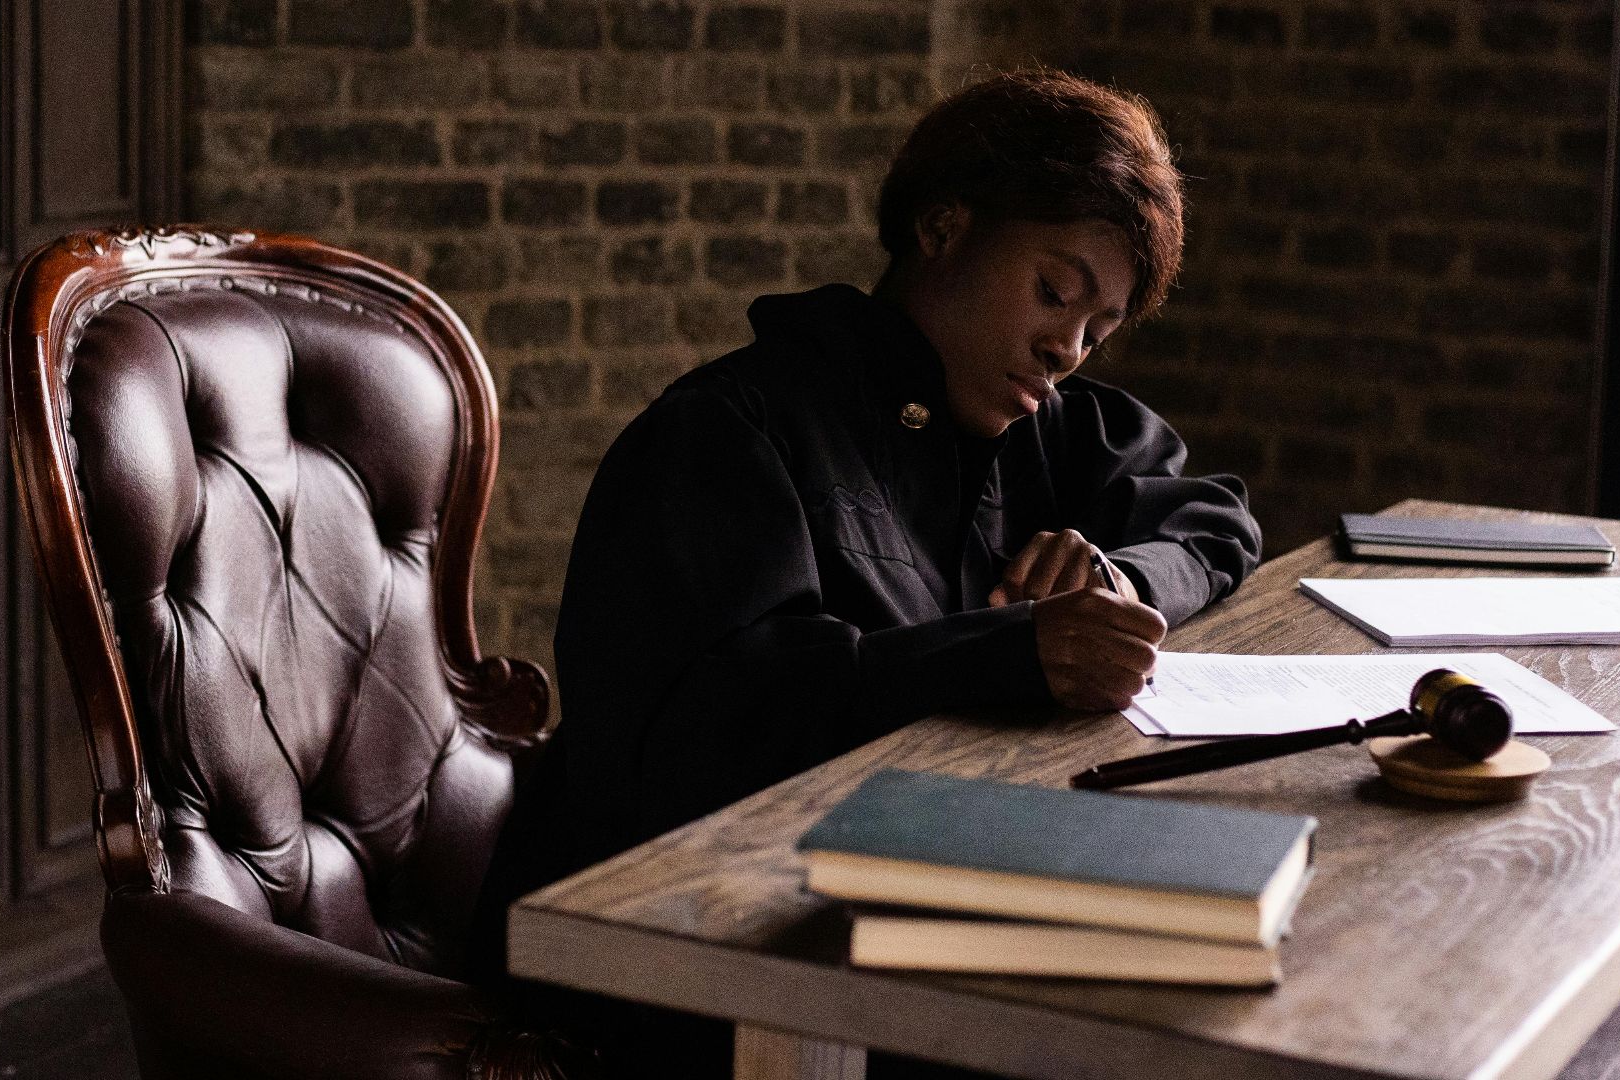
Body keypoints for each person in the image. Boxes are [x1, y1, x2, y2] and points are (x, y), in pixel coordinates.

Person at [473, 67, 1263, 1077]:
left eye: (1097, 331)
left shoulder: (1041, 424)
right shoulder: (727, 432)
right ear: (941, 229)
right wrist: (1014, 653)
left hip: (897, 914)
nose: (1065, 349)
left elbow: (1211, 515)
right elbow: (715, 731)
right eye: (1055, 292)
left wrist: (1123, 581)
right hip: (682, 972)